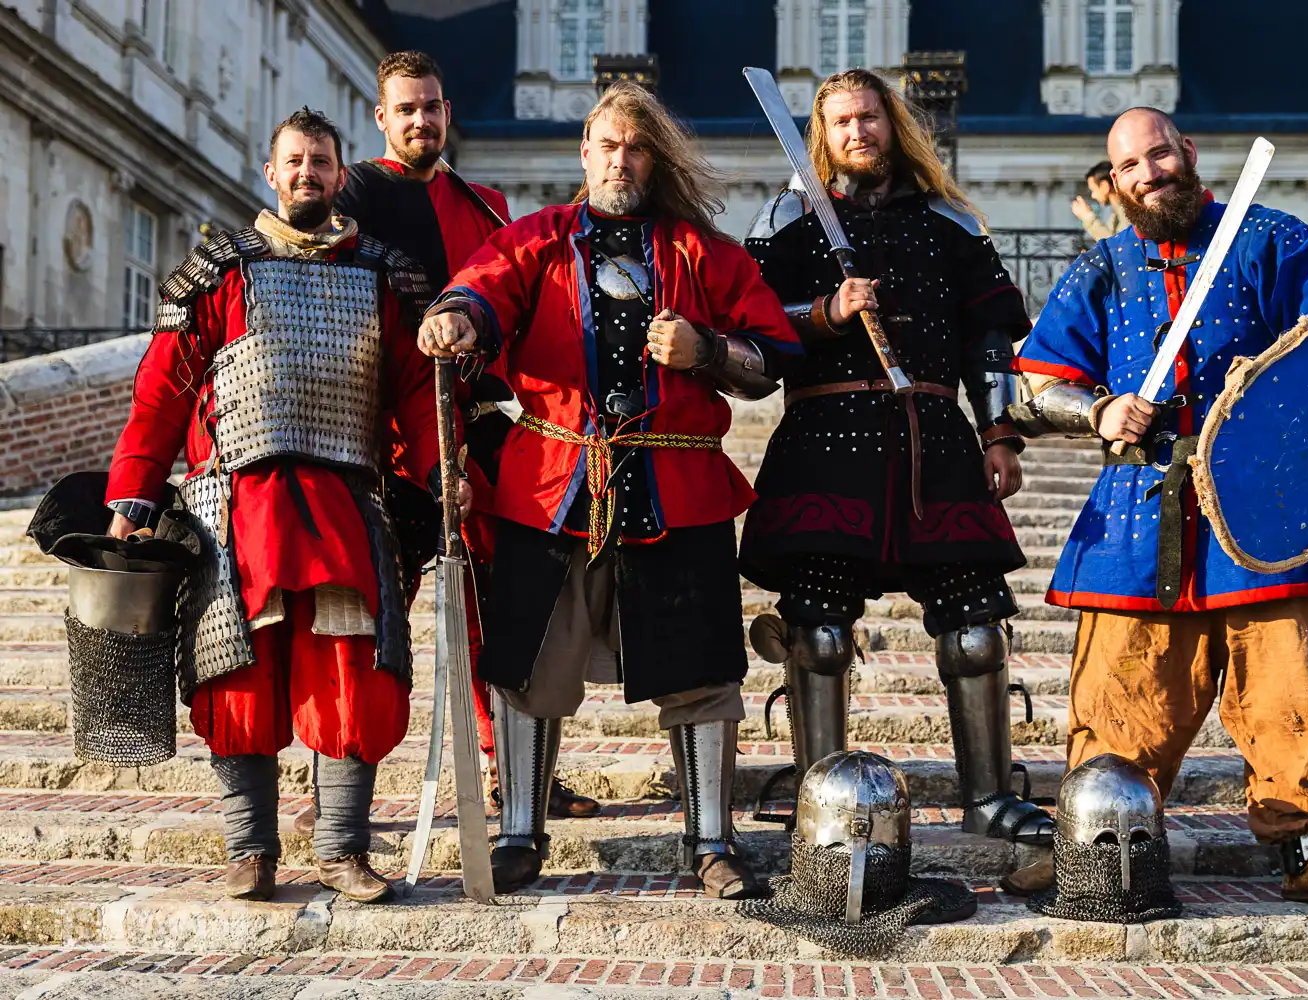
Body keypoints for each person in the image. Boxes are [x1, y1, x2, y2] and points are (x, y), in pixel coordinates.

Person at [416, 83, 803, 899]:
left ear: (653, 159)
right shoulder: (535, 241)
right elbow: (482, 292)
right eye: (607, 145)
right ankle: (521, 828)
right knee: (523, 664)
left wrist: (707, 351)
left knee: (703, 670)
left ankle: (710, 839)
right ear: (583, 154)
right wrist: (456, 317)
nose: (620, 160)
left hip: (678, 486)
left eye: (636, 147)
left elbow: (772, 358)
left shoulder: (710, 255)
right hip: (551, 481)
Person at [1008, 107, 1308, 916]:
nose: (1151, 173)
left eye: (1160, 154)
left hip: (1268, 510)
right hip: (1142, 508)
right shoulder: (1102, 268)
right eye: (1131, 166)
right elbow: (1037, 386)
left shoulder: (1269, 240)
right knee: (1120, 694)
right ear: (1112, 185)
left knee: (1294, 692)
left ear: (1187, 153)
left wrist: (1286, 386)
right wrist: (1099, 412)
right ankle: (1089, 840)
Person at [104, 108, 463, 904]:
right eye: (295, 162)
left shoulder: (382, 272)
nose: (308, 174)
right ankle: (252, 848)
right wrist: (130, 495)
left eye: (322, 163)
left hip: (345, 502)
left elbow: (412, 391)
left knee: (353, 674)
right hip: (233, 506)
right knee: (235, 669)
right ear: (272, 173)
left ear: (343, 175)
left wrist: (445, 479)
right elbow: (161, 393)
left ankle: (341, 850)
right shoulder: (218, 273)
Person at [739, 69, 1052, 845]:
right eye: (841, 121)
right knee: (816, 632)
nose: (858, 132)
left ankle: (987, 799)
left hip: (935, 438)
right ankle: (825, 801)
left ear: (893, 124)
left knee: (976, 632)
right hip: (825, 438)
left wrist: (1001, 434)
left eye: (870, 117)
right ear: (822, 133)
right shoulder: (784, 223)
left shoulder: (950, 222)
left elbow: (989, 339)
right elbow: (744, 326)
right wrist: (821, 312)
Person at [330, 49, 600, 825]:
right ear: (382, 117)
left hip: (479, 430)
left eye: (433, 106)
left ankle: (515, 775)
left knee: (500, 611)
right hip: (385, 436)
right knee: (377, 617)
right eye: (406, 109)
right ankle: (346, 794)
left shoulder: (485, 206)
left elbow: (521, 312)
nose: (422, 120)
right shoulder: (354, 195)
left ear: (449, 112)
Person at [1070, 160, 1129, 243]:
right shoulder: (1118, 212)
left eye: (1093, 190)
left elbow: (1116, 246)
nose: (1093, 196)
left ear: (1104, 186)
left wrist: (1087, 216)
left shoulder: (1127, 211)